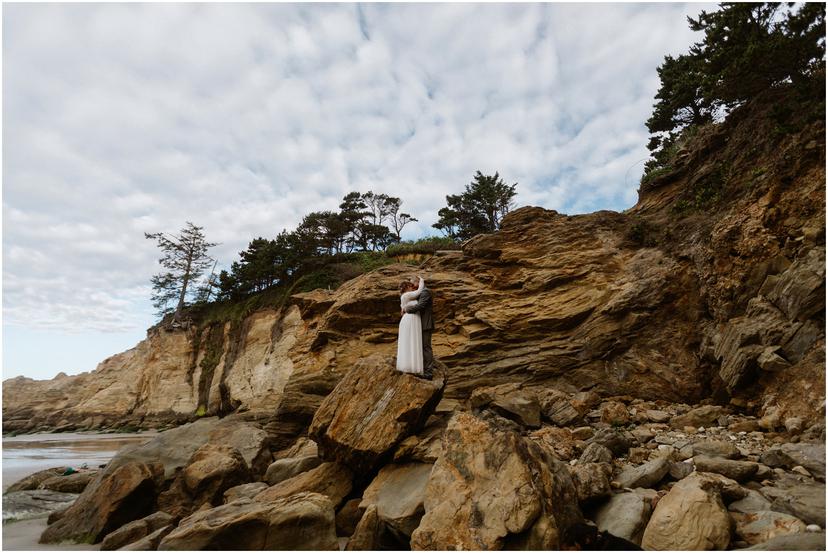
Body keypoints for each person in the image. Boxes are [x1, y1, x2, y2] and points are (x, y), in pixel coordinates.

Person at [403, 275, 434, 380]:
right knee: (422, 347)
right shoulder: (420, 292)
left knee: (426, 347)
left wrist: (407, 310)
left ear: (418, 282)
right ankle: (422, 368)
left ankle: (429, 373)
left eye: (413, 284)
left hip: (426, 324)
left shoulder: (425, 292)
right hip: (421, 323)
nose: (412, 286)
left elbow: (421, 306)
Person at [396, 276, 425, 375]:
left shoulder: (406, 296)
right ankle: (409, 366)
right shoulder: (406, 295)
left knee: (413, 340)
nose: (412, 287)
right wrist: (421, 281)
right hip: (410, 319)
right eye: (410, 285)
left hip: (413, 318)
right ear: (406, 287)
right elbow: (419, 291)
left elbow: (402, 309)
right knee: (410, 340)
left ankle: (413, 366)